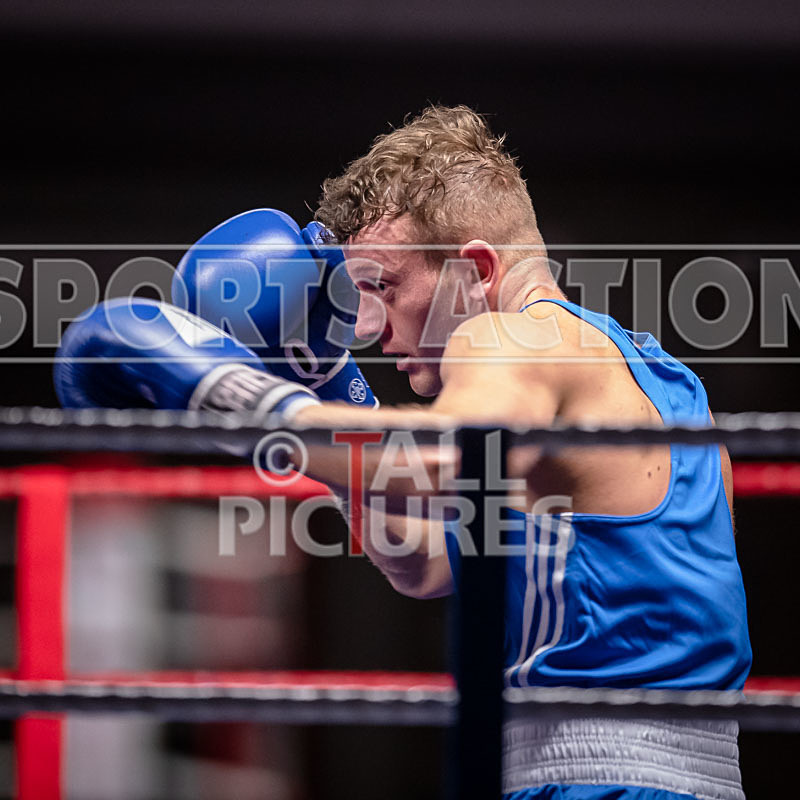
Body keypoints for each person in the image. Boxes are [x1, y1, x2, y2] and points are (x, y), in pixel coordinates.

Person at [57, 105, 751, 800]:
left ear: (476, 270)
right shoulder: (665, 383)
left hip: (590, 781)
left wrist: (225, 391)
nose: (369, 328)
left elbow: (442, 460)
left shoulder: (510, 339)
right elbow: (425, 563)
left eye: (382, 287)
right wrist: (327, 381)